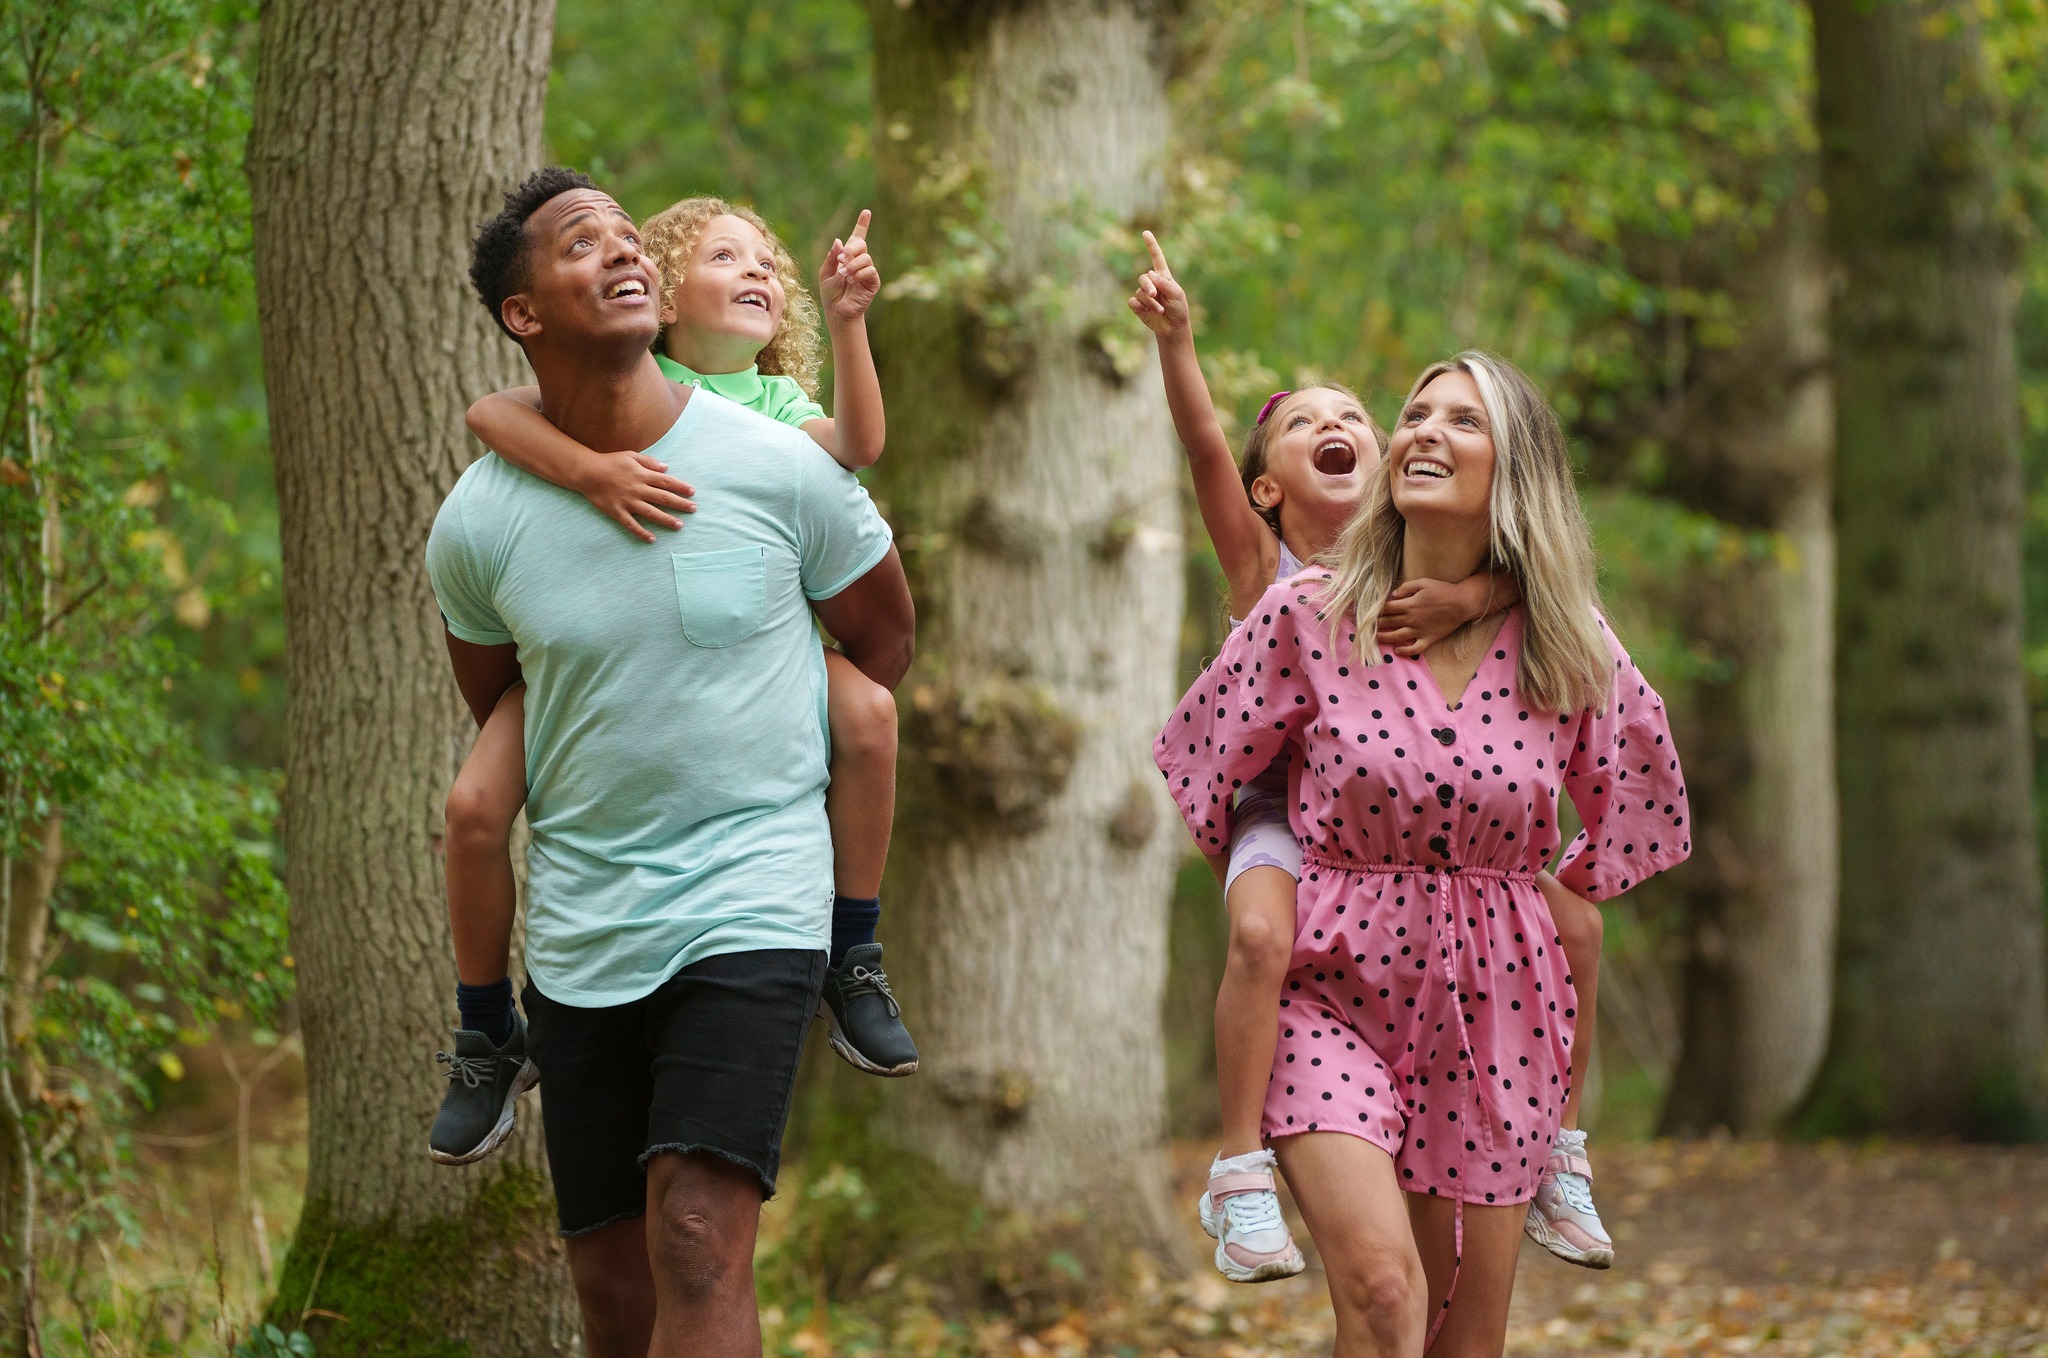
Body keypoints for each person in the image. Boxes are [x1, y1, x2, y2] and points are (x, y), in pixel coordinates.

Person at [424, 167, 915, 1358]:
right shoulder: (481, 522)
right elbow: (506, 701)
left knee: (696, 1237)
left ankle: (856, 951)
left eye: (624, 235)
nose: (620, 250)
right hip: (584, 925)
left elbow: (884, 638)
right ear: (522, 314)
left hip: (754, 890)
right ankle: (488, 1031)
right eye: (578, 242)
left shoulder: (779, 459)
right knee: (612, 1286)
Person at [1154, 351, 1689, 1356]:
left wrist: (1544, 894)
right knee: (1382, 1291)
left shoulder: (1564, 639)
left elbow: (1643, 796)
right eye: (1415, 413)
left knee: (1463, 1331)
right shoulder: (1302, 613)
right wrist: (1274, 880)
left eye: (1463, 419)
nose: (1426, 431)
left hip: (1496, 1013)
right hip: (1332, 992)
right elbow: (1202, 761)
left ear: (1514, 468)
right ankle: (1238, 1177)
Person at [1127, 236, 1528, 1284]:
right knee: (1261, 936)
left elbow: (1531, 584)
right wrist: (1178, 342)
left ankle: (1557, 1147)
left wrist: (1469, 596)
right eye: (1304, 423)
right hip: (1279, 802)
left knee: (1564, 912)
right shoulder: (1266, 564)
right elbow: (1207, 451)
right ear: (1268, 490)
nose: (1336, 426)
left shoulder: (1434, 559)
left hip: (1394, 827)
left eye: (1353, 413)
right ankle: (1237, 1164)